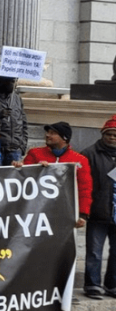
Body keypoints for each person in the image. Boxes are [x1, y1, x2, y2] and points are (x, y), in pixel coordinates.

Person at [21, 121, 91, 244]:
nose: (47, 135)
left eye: (53, 133)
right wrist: (35, 169)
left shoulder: (79, 160)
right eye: (47, 132)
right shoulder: (35, 154)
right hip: (37, 212)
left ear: (64, 138)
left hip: (64, 214)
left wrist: (83, 214)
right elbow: (23, 179)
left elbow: (84, 188)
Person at [82, 116, 116, 299]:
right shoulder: (89, 154)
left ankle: (113, 285)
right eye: (109, 134)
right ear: (103, 134)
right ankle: (92, 284)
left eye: (115, 135)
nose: (112, 138)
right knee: (94, 251)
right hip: (98, 210)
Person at [0, 67, 28, 165]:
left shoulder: (16, 98)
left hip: (15, 150)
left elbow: (23, 123)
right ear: (1, 80)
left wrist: (22, 146)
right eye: (12, 81)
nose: (14, 84)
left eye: (15, 81)